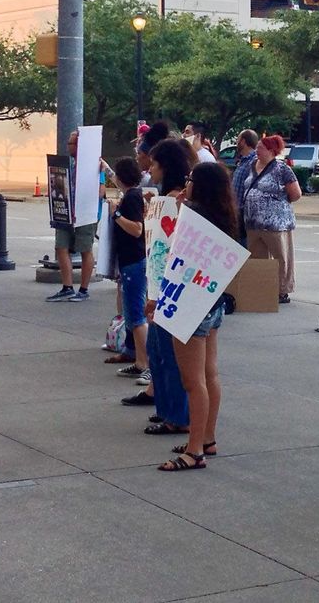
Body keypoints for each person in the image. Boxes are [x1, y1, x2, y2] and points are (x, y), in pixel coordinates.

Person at [158, 162, 239, 472]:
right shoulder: (224, 215)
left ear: (200, 185)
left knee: (192, 381)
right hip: (213, 302)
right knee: (209, 374)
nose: (186, 182)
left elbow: (173, 256)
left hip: (191, 304)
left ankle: (194, 451)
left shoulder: (194, 216)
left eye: (190, 178)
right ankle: (206, 438)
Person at [130, 138, 193, 428]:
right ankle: (167, 409)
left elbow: (169, 248)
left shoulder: (179, 200)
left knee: (169, 356)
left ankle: (176, 416)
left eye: (154, 164)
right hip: (157, 284)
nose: (150, 170)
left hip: (169, 286)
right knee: (158, 353)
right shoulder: (165, 198)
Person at [46, 130, 105, 303]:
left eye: (71, 144)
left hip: (86, 213)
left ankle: (84, 289)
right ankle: (67, 287)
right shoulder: (70, 165)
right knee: (61, 246)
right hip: (67, 212)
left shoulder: (94, 165)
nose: (68, 146)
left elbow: (101, 191)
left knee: (85, 248)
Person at [241, 134, 301, 304]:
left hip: (275, 223)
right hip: (253, 222)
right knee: (257, 257)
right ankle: (261, 288)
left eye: (261, 148)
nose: (257, 151)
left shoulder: (282, 169)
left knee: (281, 257)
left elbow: (295, 194)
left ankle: (282, 290)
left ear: (271, 150)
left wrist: (276, 203)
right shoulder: (252, 166)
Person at [109, 157, 149, 382]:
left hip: (134, 260)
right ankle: (134, 354)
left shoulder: (133, 197)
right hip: (129, 261)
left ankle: (143, 361)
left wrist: (117, 215)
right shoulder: (132, 195)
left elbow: (136, 229)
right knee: (132, 311)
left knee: (135, 313)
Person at [231, 129, 259, 244]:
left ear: (243, 141)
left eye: (238, 139)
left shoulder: (253, 162)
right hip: (236, 212)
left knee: (243, 246)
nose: (236, 142)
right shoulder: (243, 161)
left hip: (244, 214)